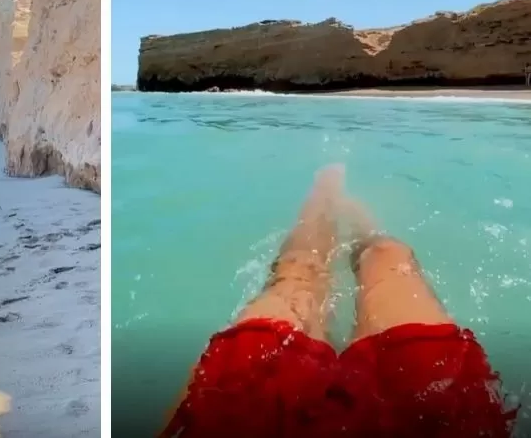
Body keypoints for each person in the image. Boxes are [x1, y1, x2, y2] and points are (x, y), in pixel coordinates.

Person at [159, 165, 516, 438]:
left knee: (299, 269)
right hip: (425, 418)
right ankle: (352, 217)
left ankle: (326, 197)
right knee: (388, 256)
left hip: (250, 422)